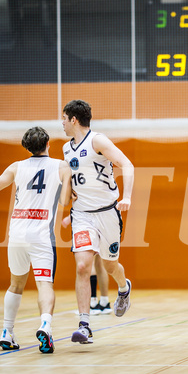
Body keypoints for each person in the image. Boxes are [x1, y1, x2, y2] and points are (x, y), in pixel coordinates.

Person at [0, 127, 71, 353]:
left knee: (15, 284)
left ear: (26, 147)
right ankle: (46, 326)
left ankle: (6, 331)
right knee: (44, 284)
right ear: (48, 144)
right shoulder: (61, 166)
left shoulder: (16, 167)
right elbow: (65, 201)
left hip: (16, 235)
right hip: (41, 236)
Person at [61, 99, 134, 344]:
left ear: (73, 119)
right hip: (82, 215)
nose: (61, 123)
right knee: (82, 266)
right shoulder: (65, 148)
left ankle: (123, 288)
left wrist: (127, 197)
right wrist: (67, 203)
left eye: (63, 118)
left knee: (110, 265)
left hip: (108, 212)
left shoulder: (98, 141)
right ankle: (84, 324)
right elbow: (71, 179)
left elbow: (127, 164)